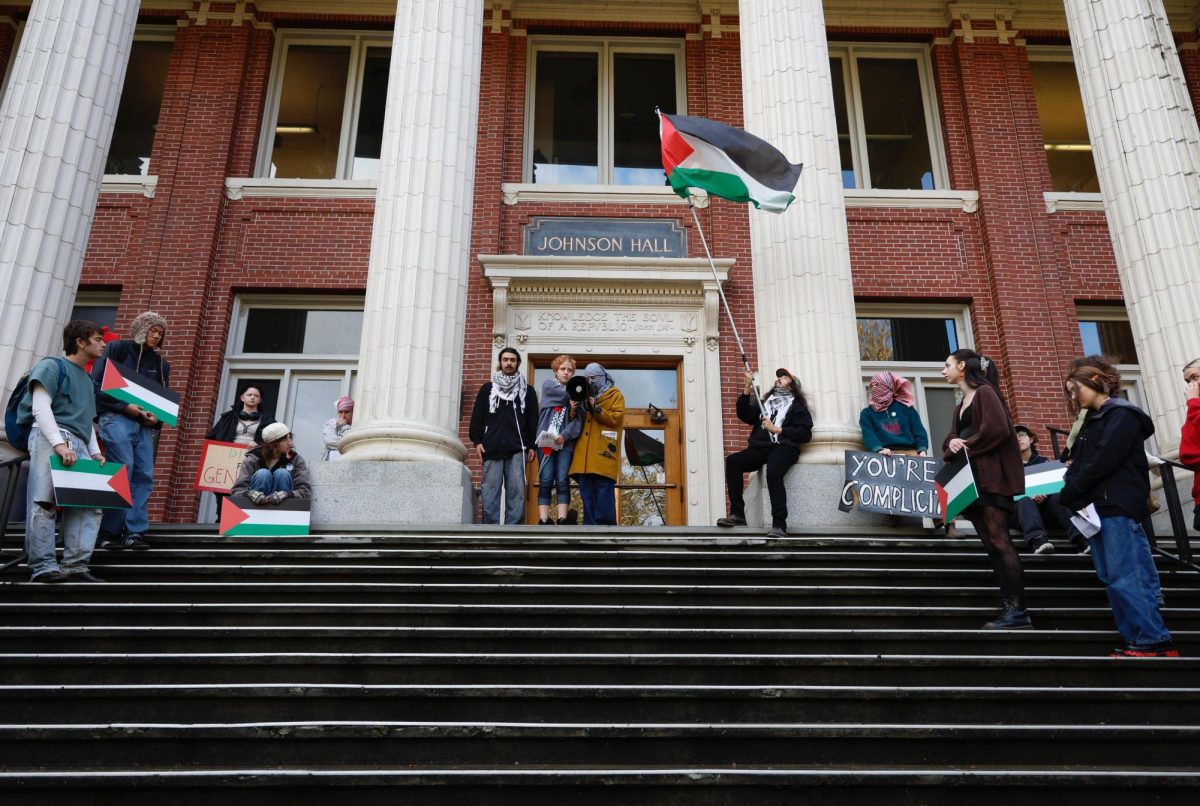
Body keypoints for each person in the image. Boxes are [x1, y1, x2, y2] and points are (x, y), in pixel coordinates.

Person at [1059, 358, 1178, 657]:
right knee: (1113, 576)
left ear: (1096, 381)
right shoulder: (1093, 419)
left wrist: (1072, 489)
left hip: (1116, 505)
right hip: (1099, 507)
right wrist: (1072, 489)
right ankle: (1139, 640)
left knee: (1126, 574)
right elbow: (1081, 461)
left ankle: (1151, 639)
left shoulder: (1122, 415)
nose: (1074, 398)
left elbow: (1103, 460)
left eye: (1076, 390)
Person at [941, 349, 1031, 630]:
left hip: (990, 478)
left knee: (1000, 541)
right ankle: (1008, 605)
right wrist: (952, 444)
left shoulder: (985, 393)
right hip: (973, 480)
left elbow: (998, 430)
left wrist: (965, 445)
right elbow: (950, 438)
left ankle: (1017, 610)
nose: (943, 371)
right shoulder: (960, 404)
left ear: (962, 367)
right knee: (992, 545)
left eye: (947, 365)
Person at [17, 320, 108, 583]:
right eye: (97, 339)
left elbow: (88, 420)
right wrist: (58, 443)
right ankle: (43, 565)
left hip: (78, 441)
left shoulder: (88, 379)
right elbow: (41, 407)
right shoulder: (52, 365)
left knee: (87, 505)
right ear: (80, 342)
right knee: (44, 501)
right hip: (53, 437)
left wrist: (94, 452)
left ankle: (75, 566)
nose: (103, 344)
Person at [91, 312, 170, 551]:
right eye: (152, 330)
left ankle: (134, 532)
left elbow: (160, 401)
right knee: (122, 470)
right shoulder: (117, 349)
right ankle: (109, 532)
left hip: (143, 425)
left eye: (160, 332)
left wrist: (157, 418)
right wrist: (125, 407)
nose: (156, 335)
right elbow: (96, 384)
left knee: (144, 474)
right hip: (116, 417)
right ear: (140, 328)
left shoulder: (161, 364)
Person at [717, 368, 814, 538]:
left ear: (792, 386)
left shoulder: (797, 407)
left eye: (784, 378)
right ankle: (738, 514)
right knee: (733, 461)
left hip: (784, 447)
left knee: (773, 473)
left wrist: (778, 429)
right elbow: (745, 415)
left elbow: (805, 434)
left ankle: (779, 525)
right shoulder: (765, 403)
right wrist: (747, 388)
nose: (779, 379)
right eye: (779, 377)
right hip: (761, 447)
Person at [469, 347, 539, 525]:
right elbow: (477, 417)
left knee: (516, 491)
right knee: (490, 490)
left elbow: (533, 420)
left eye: (513, 360)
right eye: (506, 359)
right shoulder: (488, 389)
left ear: (518, 363)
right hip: (492, 447)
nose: (509, 363)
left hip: (518, 448)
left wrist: (532, 445)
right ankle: (489, 529)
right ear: (500, 362)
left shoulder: (528, 391)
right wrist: (477, 441)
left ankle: (514, 530)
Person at [1012, 424, 1085, 556]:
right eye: (1014, 437)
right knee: (1025, 500)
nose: (1018, 439)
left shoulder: (1045, 464)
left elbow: (1059, 489)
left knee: (1057, 496)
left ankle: (1081, 539)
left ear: (1031, 439)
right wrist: (1030, 495)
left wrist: (1045, 493)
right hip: (1023, 514)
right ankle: (1038, 541)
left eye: (1022, 435)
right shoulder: (1009, 468)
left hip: (1047, 512)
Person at [569, 363, 626, 526]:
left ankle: (606, 529)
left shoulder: (616, 396)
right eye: (587, 378)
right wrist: (573, 409)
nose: (590, 382)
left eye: (593, 378)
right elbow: (574, 425)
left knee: (603, 492)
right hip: (584, 458)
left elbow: (616, 418)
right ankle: (590, 528)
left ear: (603, 378)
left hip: (602, 455)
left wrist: (596, 407)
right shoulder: (583, 396)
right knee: (586, 492)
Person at [536, 355, 582, 525]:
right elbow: (563, 395)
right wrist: (579, 393)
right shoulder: (549, 385)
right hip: (546, 442)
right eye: (563, 369)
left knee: (562, 479)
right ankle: (544, 519)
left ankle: (562, 518)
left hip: (565, 443)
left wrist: (566, 435)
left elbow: (578, 421)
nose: (566, 373)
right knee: (546, 479)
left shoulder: (577, 397)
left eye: (570, 370)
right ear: (555, 371)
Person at [230, 422, 312, 504]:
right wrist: (250, 494)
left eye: (290, 438)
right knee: (263, 473)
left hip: (285, 509)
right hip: (255, 509)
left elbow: (305, 491)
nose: (290, 443)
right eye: (284, 440)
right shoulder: (253, 459)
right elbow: (237, 491)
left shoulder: (296, 460)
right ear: (273, 444)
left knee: (282, 473)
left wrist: (287, 494)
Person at [859, 371, 928, 457]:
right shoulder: (867, 413)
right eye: (871, 386)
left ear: (888, 386)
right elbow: (869, 436)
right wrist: (879, 449)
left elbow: (919, 432)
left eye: (877, 385)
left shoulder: (906, 408)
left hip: (911, 455)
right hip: (884, 456)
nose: (873, 389)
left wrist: (922, 449)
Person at [208, 385, 274, 448]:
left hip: (254, 456)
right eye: (249, 395)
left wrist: (259, 444)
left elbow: (275, 441)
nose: (252, 397)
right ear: (242, 398)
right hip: (227, 455)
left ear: (259, 400)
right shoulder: (228, 417)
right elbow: (212, 438)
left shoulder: (267, 420)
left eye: (256, 396)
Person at [1179, 357, 1200, 533]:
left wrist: (1193, 402)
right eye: (1188, 381)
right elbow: (1186, 453)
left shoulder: (1195, 406)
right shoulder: (1194, 409)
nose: (1191, 385)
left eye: (1195, 377)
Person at [322, 396, 354, 461]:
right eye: (340, 412)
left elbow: (352, 442)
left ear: (353, 412)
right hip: (329, 465)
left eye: (347, 412)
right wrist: (349, 444)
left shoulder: (357, 427)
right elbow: (330, 442)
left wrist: (343, 426)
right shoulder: (331, 424)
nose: (343, 416)